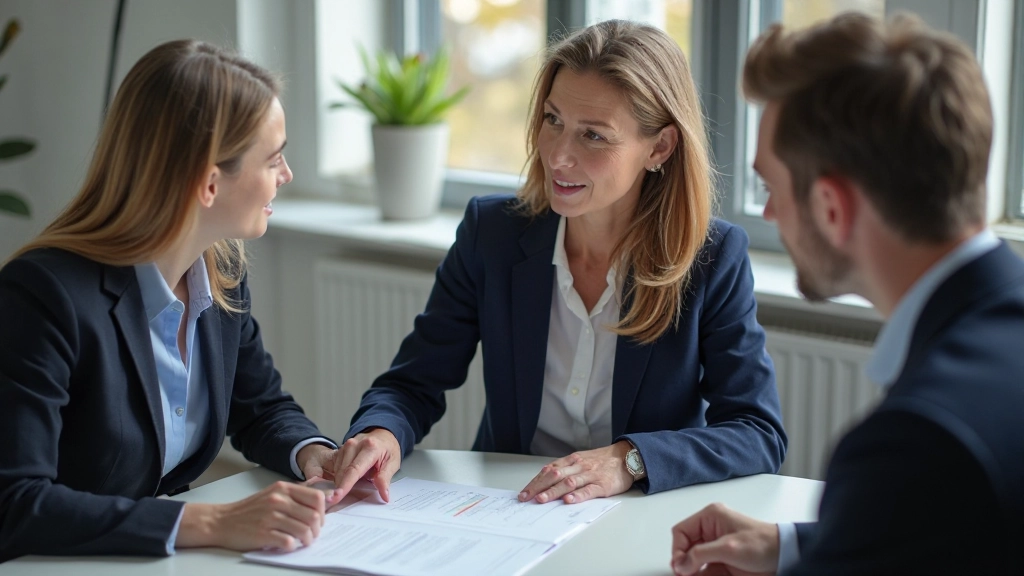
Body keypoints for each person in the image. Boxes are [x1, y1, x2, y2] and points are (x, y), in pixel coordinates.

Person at [332, 19, 787, 506]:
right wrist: (382, 434)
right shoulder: (493, 233)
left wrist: (627, 460)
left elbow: (757, 432)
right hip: (510, 506)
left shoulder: (712, 257)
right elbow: (413, 382)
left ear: (659, 147)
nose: (558, 156)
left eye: (593, 136)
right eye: (553, 120)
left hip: (637, 514)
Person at [670, 12, 1024, 576]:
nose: (768, 213)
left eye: (771, 187)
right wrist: (796, 545)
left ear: (832, 209)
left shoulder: (917, 442)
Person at [0, 40, 350, 561]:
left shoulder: (220, 270)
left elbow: (258, 408)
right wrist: (210, 521)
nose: (286, 175)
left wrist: (317, 456)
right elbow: (15, 503)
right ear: (208, 183)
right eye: (274, 158)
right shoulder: (42, 297)